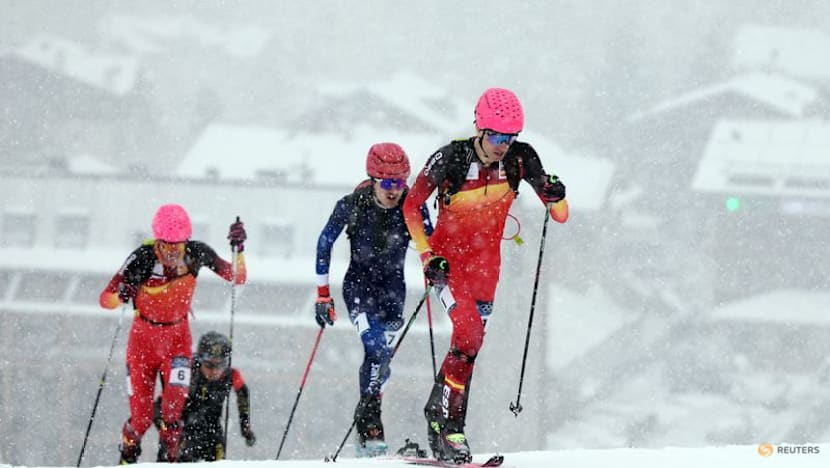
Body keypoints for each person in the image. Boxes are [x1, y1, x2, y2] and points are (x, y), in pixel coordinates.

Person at [401, 88, 569, 463]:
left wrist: (556, 194)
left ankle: (436, 413)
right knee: (469, 335)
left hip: (486, 268)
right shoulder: (451, 158)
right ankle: (451, 429)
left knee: (468, 349)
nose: (502, 146)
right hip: (447, 264)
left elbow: (559, 214)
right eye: (495, 137)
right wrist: (428, 256)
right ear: (480, 128)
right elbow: (411, 206)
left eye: (509, 138)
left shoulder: (521, 160)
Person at [99, 204, 247, 464]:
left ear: (186, 242)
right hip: (142, 343)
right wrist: (121, 293)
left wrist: (239, 250)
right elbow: (105, 299)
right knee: (142, 419)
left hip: (177, 340)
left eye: (177, 246)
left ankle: (170, 458)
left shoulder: (196, 253)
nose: (172, 252)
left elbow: (238, 277)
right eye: (166, 245)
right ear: (157, 240)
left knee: (172, 410)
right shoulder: (142, 257)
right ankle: (128, 452)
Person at [314, 142, 433, 457]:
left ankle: (368, 418)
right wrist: (322, 295)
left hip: (395, 293)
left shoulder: (412, 205)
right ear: (373, 179)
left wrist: (434, 265)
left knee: (382, 362)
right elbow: (324, 243)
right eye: (388, 183)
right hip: (359, 290)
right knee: (376, 348)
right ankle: (370, 422)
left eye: (400, 182)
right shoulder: (353, 205)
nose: (394, 190)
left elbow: (430, 243)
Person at [164, 331, 257, 462]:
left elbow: (243, 393)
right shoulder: (188, 370)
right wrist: (169, 426)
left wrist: (245, 426)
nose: (214, 371)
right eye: (209, 365)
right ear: (200, 360)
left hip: (213, 429)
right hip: (185, 429)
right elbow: (165, 400)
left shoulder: (230, 375)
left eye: (220, 366)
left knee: (219, 458)